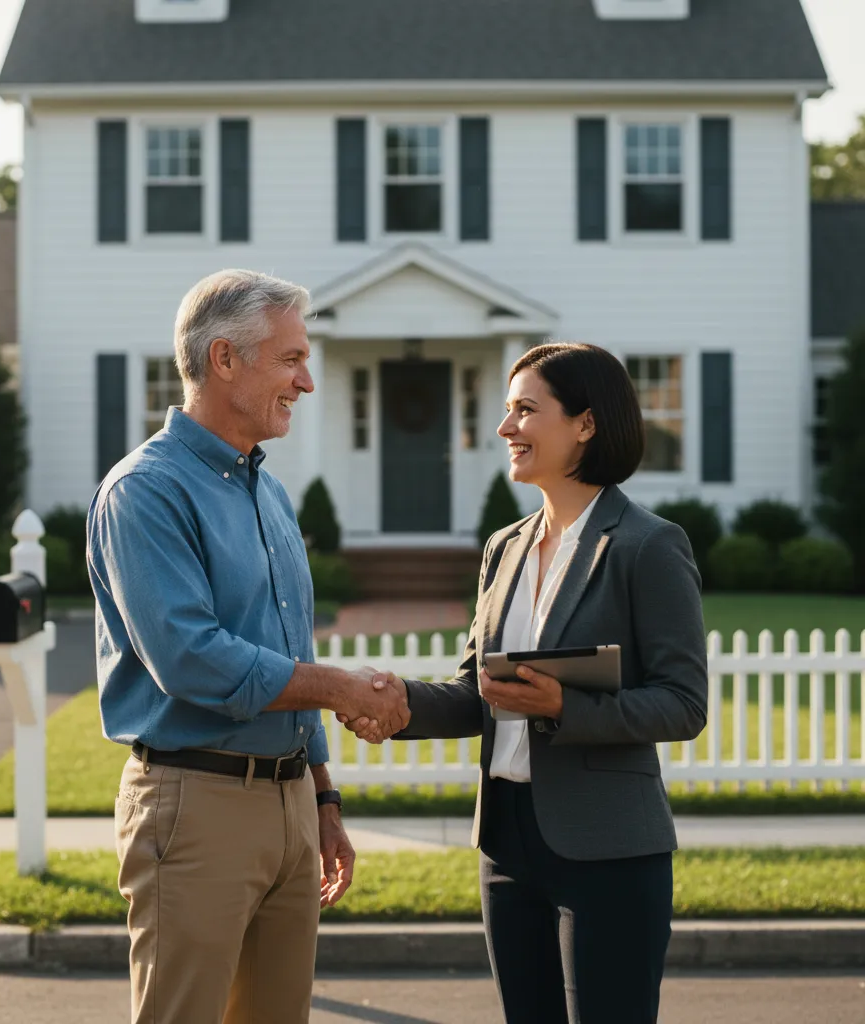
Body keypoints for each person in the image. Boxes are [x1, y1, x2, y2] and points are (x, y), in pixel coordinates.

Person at [343, 343, 708, 1024]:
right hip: (506, 844)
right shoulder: (504, 548)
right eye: (507, 411)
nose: (505, 428)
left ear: (585, 424)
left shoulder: (647, 546)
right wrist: (397, 704)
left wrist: (566, 707)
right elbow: (478, 688)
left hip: (609, 851)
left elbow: (684, 704)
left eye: (525, 410)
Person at [86, 269, 409, 1024]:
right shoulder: (146, 491)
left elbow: (284, 644)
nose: (308, 380)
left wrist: (323, 795)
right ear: (224, 358)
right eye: (291, 358)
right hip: (195, 805)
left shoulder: (268, 491)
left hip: (291, 802)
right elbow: (190, 657)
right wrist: (333, 686)